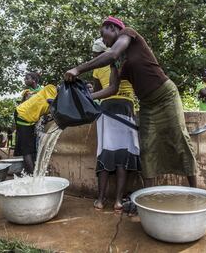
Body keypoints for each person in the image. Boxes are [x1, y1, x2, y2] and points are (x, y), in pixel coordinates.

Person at [64, 16, 197, 188]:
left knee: (179, 138)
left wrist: (77, 69)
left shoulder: (129, 33)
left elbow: (111, 55)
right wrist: (87, 97)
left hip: (166, 97)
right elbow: (112, 89)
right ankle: (149, 194)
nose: (103, 39)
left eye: (103, 34)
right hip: (147, 105)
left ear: (112, 28)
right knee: (147, 148)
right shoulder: (123, 65)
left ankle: (195, 190)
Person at [90, 38, 141, 211]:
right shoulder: (127, 63)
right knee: (123, 156)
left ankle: (100, 200)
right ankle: (118, 201)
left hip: (106, 108)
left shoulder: (98, 67)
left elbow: (98, 92)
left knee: (105, 152)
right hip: (126, 108)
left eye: (95, 54)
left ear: (99, 53)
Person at [14, 71, 42, 174]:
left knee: (33, 148)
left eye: (27, 78)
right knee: (26, 150)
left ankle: (33, 172)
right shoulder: (26, 92)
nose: (25, 80)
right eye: (25, 78)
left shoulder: (42, 90)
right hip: (24, 121)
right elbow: (22, 107)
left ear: (34, 80)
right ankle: (32, 174)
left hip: (34, 122)